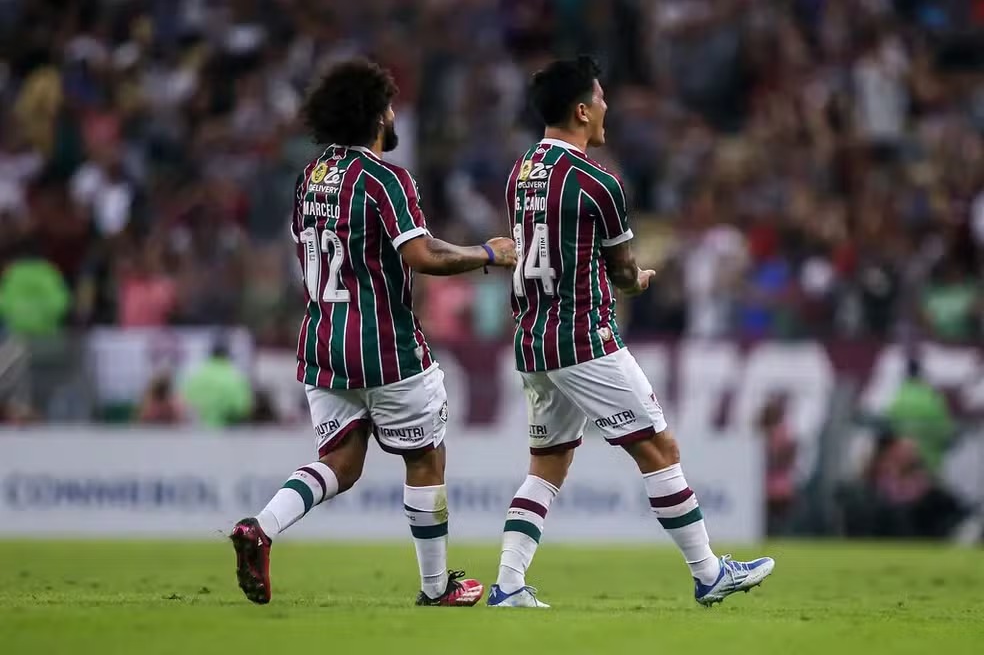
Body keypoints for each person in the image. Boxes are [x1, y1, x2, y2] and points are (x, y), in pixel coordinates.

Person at [488, 56, 774, 609]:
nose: (605, 106)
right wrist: (635, 281)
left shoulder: (520, 170)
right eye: (599, 98)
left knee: (547, 462)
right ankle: (709, 572)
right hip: (583, 337)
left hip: (532, 337)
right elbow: (621, 270)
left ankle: (508, 584)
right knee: (659, 448)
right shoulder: (600, 183)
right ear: (580, 110)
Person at [230, 59, 517, 607]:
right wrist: (487, 253)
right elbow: (422, 254)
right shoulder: (387, 178)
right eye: (388, 103)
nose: (394, 112)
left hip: (322, 342)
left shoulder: (309, 177)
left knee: (341, 460)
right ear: (374, 114)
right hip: (385, 343)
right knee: (425, 458)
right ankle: (436, 588)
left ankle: (261, 529)